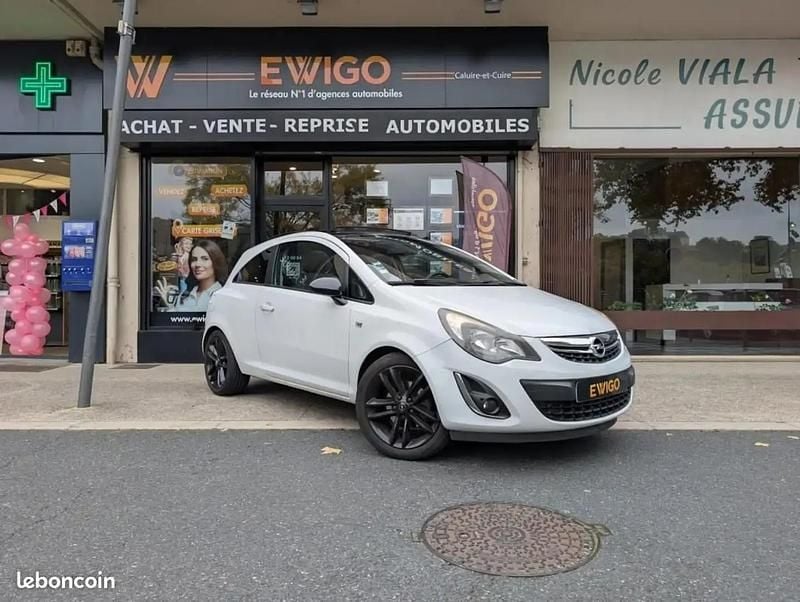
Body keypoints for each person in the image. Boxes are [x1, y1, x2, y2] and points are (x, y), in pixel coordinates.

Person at [155, 239, 228, 312]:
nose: (198, 264)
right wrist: (169, 306)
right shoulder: (184, 295)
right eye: (194, 259)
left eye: (205, 259)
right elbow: (176, 321)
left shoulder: (223, 296)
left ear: (216, 262)